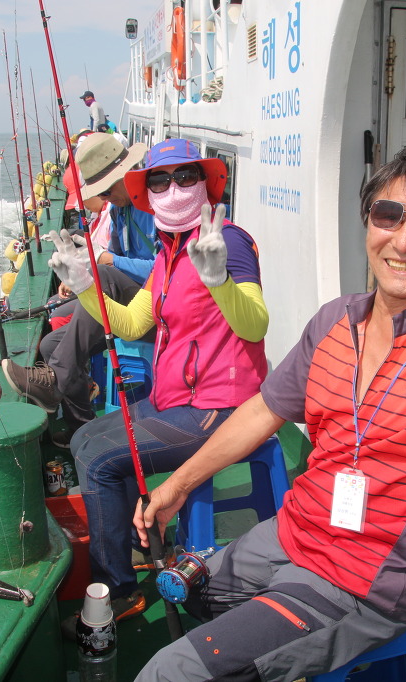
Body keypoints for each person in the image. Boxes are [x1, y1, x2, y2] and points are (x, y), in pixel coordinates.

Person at [132, 144, 406, 681]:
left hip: (363, 582)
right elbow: (263, 410)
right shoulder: (335, 321)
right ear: (368, 223)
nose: (403, 240)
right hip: (294, 532)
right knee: (190, 593)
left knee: (169, 672)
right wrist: (177, 486)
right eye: (388, 215)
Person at [46, 138, 269, 622]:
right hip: (175, 399)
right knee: (84, 439)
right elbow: (131, 323)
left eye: (185, 176)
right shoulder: (170, 251)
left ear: (206, 182)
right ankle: (135, 539)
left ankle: (118, 590)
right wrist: (85, 286)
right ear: (147, 192)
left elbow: (255, 326)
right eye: (160, 180)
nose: (174, 188)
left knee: (101, 460)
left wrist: (220, 283)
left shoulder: (227, 241)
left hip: (220, 409)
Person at [2, 133, 157, 437]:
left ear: (127, 174)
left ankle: (55, 382)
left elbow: (162, 269)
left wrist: (106, 261)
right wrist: (81, 274)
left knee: (105, 279)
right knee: (50, 344)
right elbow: (113, 262)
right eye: (101, 192)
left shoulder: (152, 209)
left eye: (107, 189)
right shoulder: (121, 210)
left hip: (157, 311)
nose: (105, 198)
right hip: (131, 302)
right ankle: (81, 428)